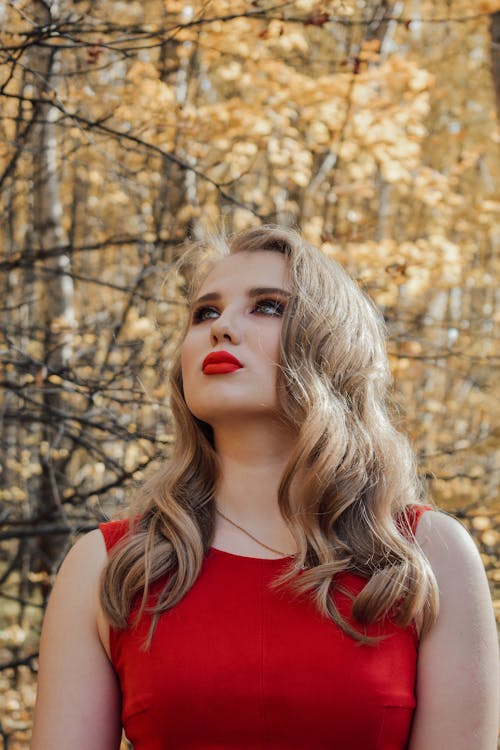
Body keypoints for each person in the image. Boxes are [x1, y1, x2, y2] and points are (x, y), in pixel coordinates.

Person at [31, 225, 498, 749]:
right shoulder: (108, 566)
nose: (222, 327)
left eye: (267, 306)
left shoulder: (427, 556)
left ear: (332, 344)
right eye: (204, 312)